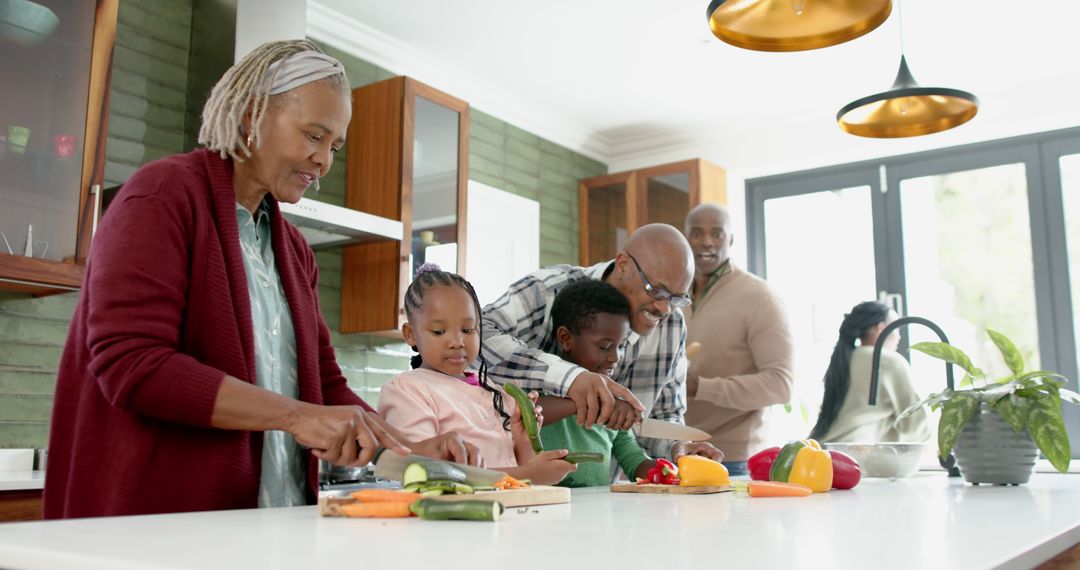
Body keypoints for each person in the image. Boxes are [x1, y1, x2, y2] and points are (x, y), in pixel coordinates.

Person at [44, 40, 477, 519]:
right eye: (313, 136)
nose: (324, 162)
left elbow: (326, 387)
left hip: (269, 520)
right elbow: (134, 364)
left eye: (333, 147)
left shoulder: (292, 250)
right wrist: (297, 416)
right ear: (251, 116)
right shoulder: (163, 196)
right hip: (157, 524)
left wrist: (413, 449)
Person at [481, 223, 723, 462]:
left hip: (608, 494)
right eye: (657, 291)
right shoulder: (547, 290)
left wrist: (678, 447)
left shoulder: (672, 326)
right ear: (623, 265)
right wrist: (571, 378)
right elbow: (479, 335)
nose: (665, 308)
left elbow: (666, 412)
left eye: (677, 298)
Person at [377, 265, 578, 485]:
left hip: (508, 513)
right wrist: (530, 475)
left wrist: (524, 441)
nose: (457, 342)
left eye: (468, 330)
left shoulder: (493, 389)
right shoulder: (407, 390)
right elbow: (425, 475)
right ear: (410, 334)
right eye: (438, 332)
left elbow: (522, 467)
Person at [682, 204, 794, 477]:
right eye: (697, 233)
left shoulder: (760, 297)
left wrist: (701, 386)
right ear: (686, 239)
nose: (707, 241)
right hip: (671, 452)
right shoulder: (670, 294)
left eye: (717, 233)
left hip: (732, 459)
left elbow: (781, 385)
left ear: (730, 240)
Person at [537, 280, 666, 487]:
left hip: (596, 515)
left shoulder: (614, 404)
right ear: (565, 338)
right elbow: (525, 412)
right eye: (605, 346)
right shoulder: (537, 384)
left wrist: (670, 470)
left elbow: (635, 462)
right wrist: (586, 403)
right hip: (544, 511)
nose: (616, 357)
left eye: (621, 346)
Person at [809, 301, 932, 443]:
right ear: (881, 328)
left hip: (820, 450)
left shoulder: (842, 359)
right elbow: (916, 427)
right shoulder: (888, 361)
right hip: (858, 455)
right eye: (896, 329)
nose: (899, 337)